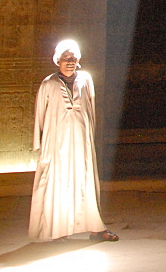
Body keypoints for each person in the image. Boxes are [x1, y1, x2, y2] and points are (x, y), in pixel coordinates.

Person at [29, 39, 118, 242]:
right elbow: (40, 116)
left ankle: (96, 228)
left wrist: (90, 135)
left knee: (85, 182)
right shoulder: (48, 83)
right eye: (65, 58)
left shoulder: (86, 79)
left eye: (73, 58)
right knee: (58, 183)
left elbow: (91, 108)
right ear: (57, 60)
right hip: (56, 144)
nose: (70, 62)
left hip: (81, 143)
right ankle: (56, 231)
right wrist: (40, 144)